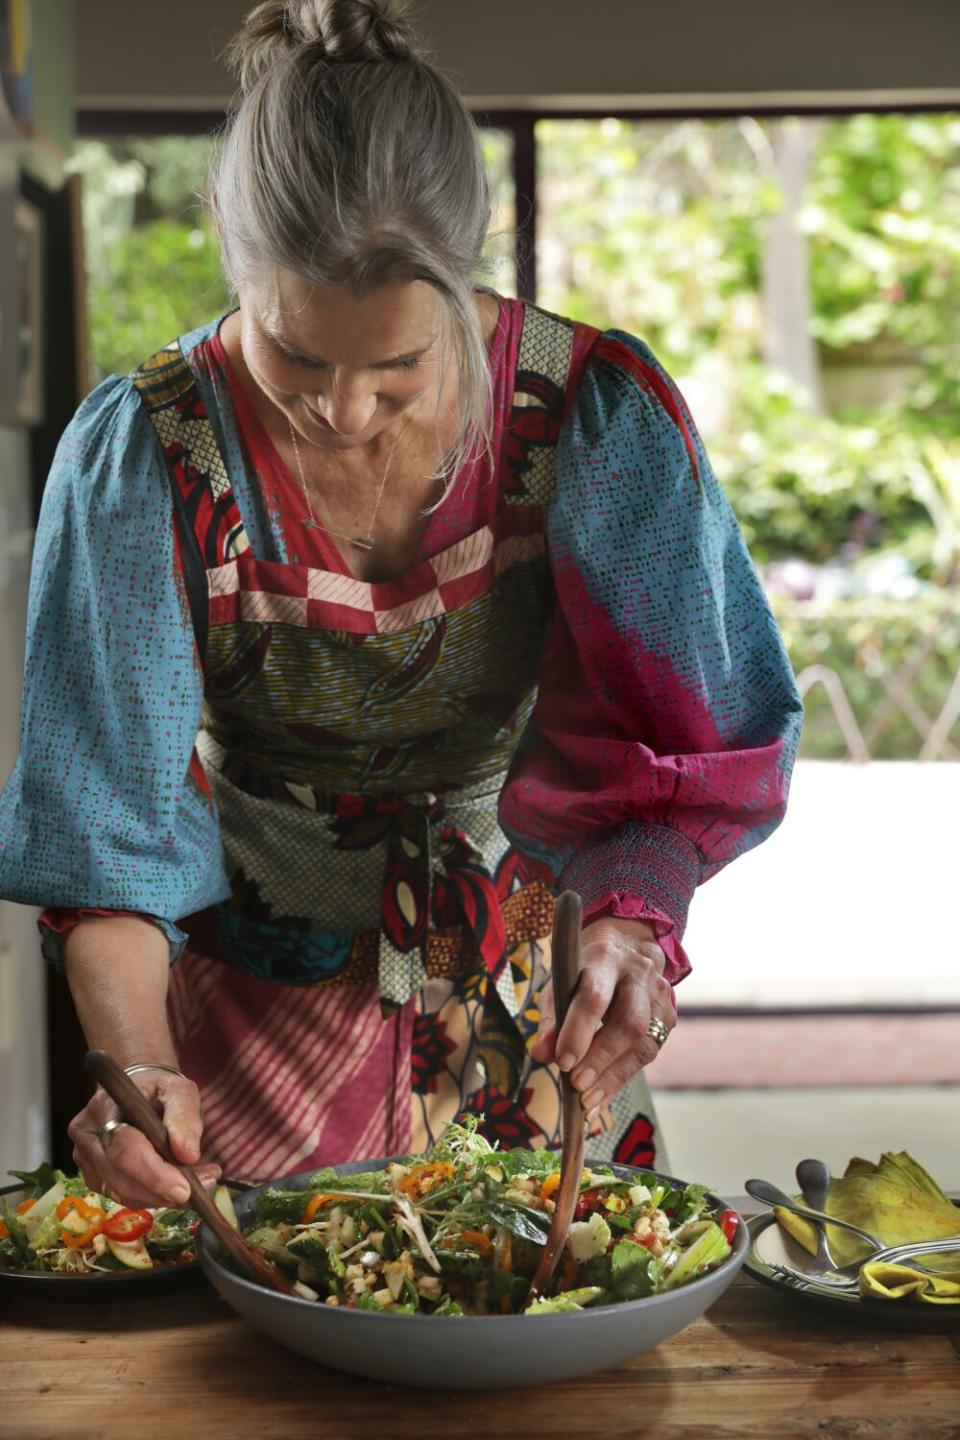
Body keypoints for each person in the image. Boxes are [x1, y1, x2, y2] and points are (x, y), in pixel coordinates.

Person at [0, 0, 802, 1211]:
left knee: (557, 1315)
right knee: (270, 1340)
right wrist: (141, 1062)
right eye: (295, 358)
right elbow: (108, 836)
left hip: (535, 964)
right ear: (226, 235)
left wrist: (635, 926)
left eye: (398, 368)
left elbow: (680, 753)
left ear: (468, 261)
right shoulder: (148, 455)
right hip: (250, 994)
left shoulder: (590, 414)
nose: (343, 412)